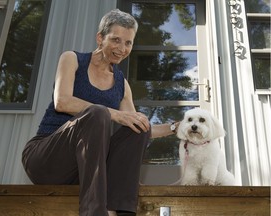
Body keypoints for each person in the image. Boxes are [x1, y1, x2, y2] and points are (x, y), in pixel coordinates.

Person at [22, 9, 178, 216]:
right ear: (100, 38)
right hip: (47, 159)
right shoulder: (73, 59)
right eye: (116, 40)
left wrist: (179, 126)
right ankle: (94, 212)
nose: (122, 48)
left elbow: (139, 126)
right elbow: (62, 101)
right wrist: (113, 113)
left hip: (84, 170)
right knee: (97, 113)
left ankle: (119, 210)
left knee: (137, 127)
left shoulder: (122, 85)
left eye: (128, 43)